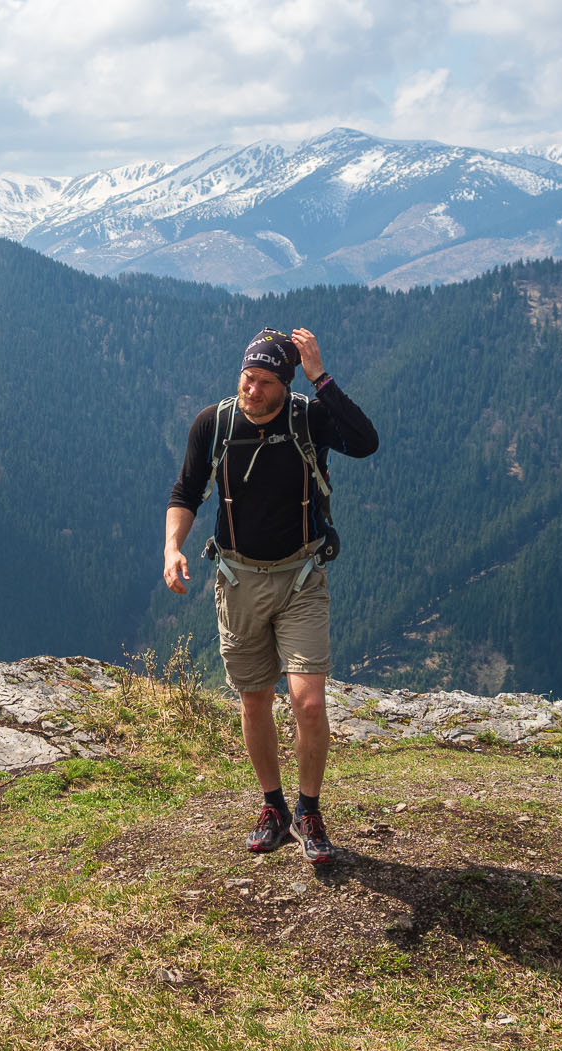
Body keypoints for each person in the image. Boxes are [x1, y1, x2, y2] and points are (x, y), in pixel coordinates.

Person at [162, 327, 378, 865]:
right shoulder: (214, 424)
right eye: (246, 378)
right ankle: (273, 807)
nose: (250, 390)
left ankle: (309, 809)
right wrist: (172, 547)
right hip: (237, 579)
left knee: (308, 699)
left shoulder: (310, 417)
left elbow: (366, 441)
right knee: (254, 697)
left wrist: (321, 377)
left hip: (302, 578)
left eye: (263, 382)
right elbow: (187, 489)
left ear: (284, 383)